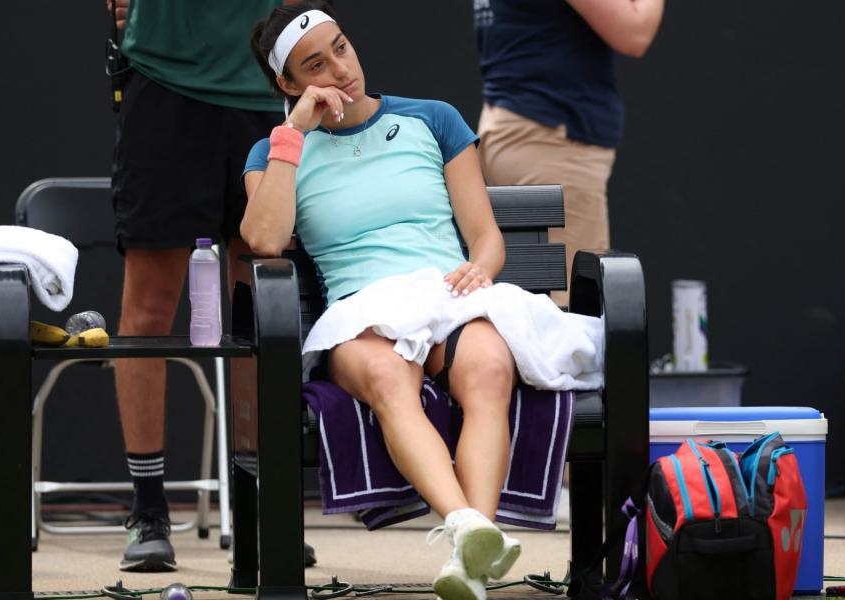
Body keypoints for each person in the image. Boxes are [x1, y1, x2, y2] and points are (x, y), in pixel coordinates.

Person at [241, 3, 605, 599]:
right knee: (387, 377)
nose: (340, 68)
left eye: (341, 46)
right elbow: (264, 239)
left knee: (489, 367)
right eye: (315, 63)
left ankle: (469, 552)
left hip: (448, 295)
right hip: (361, 310)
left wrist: (479, 269)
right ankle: (468, 526)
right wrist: (294, 135)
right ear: (288, 84)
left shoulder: (433, 119)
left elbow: (485, 237)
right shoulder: (276, 152)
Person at [108, 0, 320, 572]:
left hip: (264, 95)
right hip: (164, 84)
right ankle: (148, 507)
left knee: (261, 306)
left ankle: (260, 502)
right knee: (151, 305)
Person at [473, 0, 664, 306]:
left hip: (525, 131)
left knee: (537, 310)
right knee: (570, 314)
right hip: (548, 138)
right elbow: (634, 32)